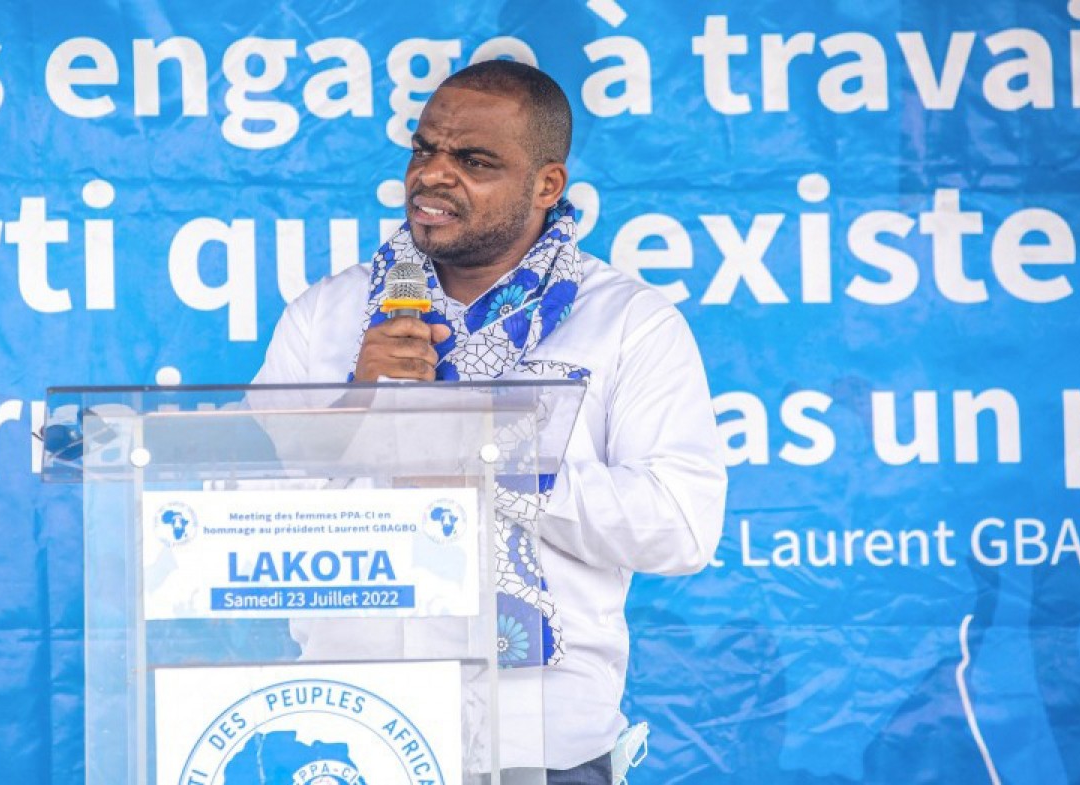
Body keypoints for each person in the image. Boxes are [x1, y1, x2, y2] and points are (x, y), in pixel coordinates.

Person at [253, 60, 726, 784]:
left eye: (474, 161)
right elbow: (243, 507)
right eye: (424, 150)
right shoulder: (330, 315)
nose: (432, 175)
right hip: (352, 732)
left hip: (539, 743)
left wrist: (491, 464)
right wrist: (356, 405)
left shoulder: (627, 322)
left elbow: (680, 525)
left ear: (546, 184)